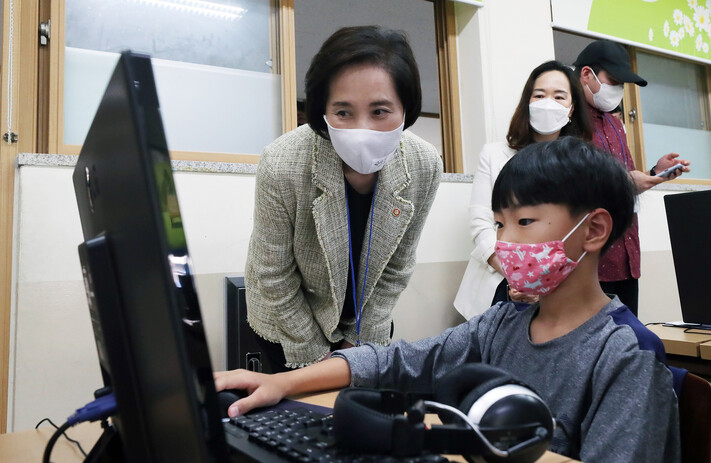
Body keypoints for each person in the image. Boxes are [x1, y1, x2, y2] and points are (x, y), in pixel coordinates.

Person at [216, 137, 682, 462]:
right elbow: (398, 361)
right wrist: (283, 383)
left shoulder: (626, 355)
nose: (504, 243)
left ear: (594, 230)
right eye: (500, 224)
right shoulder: (502, 322)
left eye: (525, 222)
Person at [245, 26, 442, 371]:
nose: (360, 130)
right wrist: (319, 361)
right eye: (344, 113)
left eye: (380, 111)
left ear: (406, 109)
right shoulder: (283, 162)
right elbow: (273, 273)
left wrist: (356, 344)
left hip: (366, 322)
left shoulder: (424, 165)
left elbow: (397, 267)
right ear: (323, 111)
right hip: (289, 325)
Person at [454, 60, 593, 319]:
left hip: (557, 292)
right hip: (496, 284)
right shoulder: (494, 154)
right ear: (527, 102)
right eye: (539, 95)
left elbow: (580, 234)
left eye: (559, 96)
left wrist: (541, 283)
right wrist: (518, 274)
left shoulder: (582, 165)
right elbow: (480, 223)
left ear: (571, 108)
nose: (547, 102)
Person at [574, 39, 691, 317]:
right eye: (612, 81)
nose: (617, 90)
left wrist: (653, 173)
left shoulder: (615, 123)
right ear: (587, 75)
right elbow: (571, 190)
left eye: (621, 84)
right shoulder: (569, 123)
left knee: (626, 345)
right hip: (590, 264)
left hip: (626, 256)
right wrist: (628, 183)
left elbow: (626, 180)